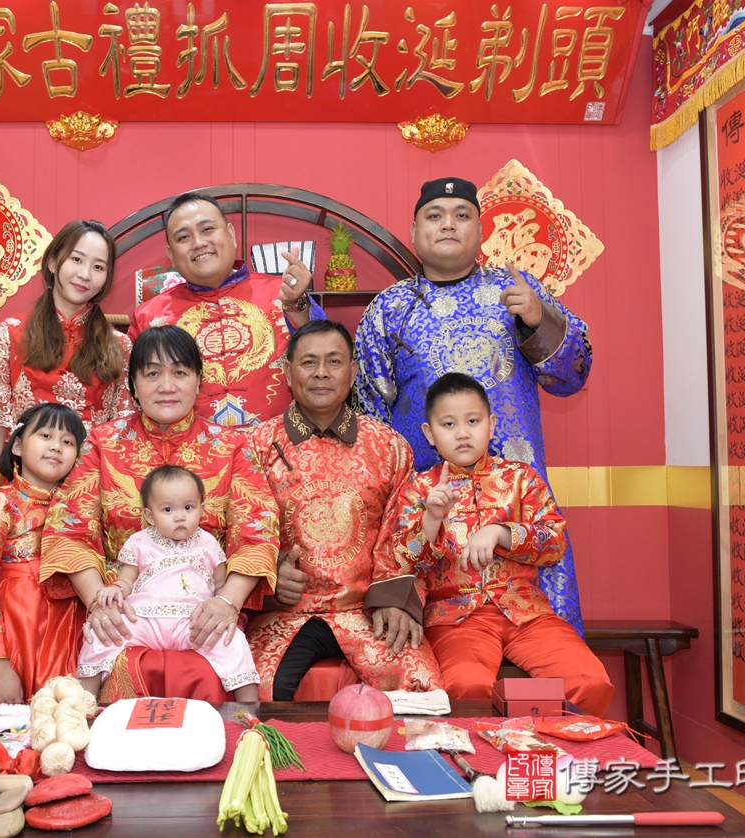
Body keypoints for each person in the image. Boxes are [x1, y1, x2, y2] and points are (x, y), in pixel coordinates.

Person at [354, 177, 592, 633]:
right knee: (439, 651)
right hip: (431, 507)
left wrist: (539, 320)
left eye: (462, 215)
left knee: (546, 646)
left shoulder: (516, 291)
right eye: (435, 216)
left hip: (519, 505)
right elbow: (370, 419)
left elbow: (572, 377)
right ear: (414, 230)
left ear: (481, 231)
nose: (449, 224)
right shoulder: (389, 308)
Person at [40, 325, 279, 699]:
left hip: (205, 618)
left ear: (198, 381)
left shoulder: (232, 446)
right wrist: (101, 604)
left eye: (179, 372)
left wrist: (226, 602)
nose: (166, 386)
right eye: (152, 373)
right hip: (124, 619)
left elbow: (257, 532)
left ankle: (242, 724)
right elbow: (69, 530)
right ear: (133, 384)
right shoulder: (103, 443)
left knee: (220, 667)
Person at [247, 319, 442, 700]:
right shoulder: (256, 445)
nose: (321, 372)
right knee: (252, 691)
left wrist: (393, 599)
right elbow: (241, 529)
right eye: (309, 362)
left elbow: (402, 532)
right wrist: (268, 578)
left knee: (421, 687)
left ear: (352, 372)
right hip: (282, 613)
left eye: (334, 362)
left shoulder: (389, 446)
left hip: (366, 610)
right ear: (287, 372)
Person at [410, 373, 613, 716]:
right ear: (430, 433)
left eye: (473, 421)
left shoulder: (522, 478)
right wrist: (431, 518)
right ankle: (487, 752)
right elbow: (403, 560)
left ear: (491, 425)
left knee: (589, 682)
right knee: (466, 687)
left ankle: (545, 749)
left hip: (526, 613)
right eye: (449, 424)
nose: (462, 433)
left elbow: (554, 541)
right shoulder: (419, 489)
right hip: (457, 618)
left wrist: (501, 533)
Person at [0, 219, 133, 515]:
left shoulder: (120, 347)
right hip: (19, 495)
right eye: (76, 259)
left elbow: (123, 435)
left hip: (90, 498)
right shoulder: (8, 334)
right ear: (53, 261)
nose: (85, 274)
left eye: (98, 267)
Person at [128, 191, 326, 427]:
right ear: (171, 254)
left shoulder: (283, 294)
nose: (198, 243)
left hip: (281, 444)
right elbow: (134, 398)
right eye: (183, 237)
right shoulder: (150, 317)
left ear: (231, 235)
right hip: (189, 448)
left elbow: (326, 359)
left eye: (207, 229)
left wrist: (297, 305)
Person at [76, 465, 260, 700]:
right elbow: (126, 581)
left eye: (188, 507)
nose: (180, 516)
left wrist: (223, 606)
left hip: (192, 623)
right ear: (149, 516)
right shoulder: (139, 542)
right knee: (99, 634)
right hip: (143, 620)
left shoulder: (209, 544)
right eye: (167, 509)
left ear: (202, 509)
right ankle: (83, 705)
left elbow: (220, 586)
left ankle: (250, 709)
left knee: (233, 641)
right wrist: (114, 590)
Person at [0, 402, 88, 704]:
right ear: (17, 447)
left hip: (62, 632)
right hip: (9, 633)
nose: (56, 447)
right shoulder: (0, 504)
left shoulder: (78, 509)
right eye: (46, 436)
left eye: (68, 442)